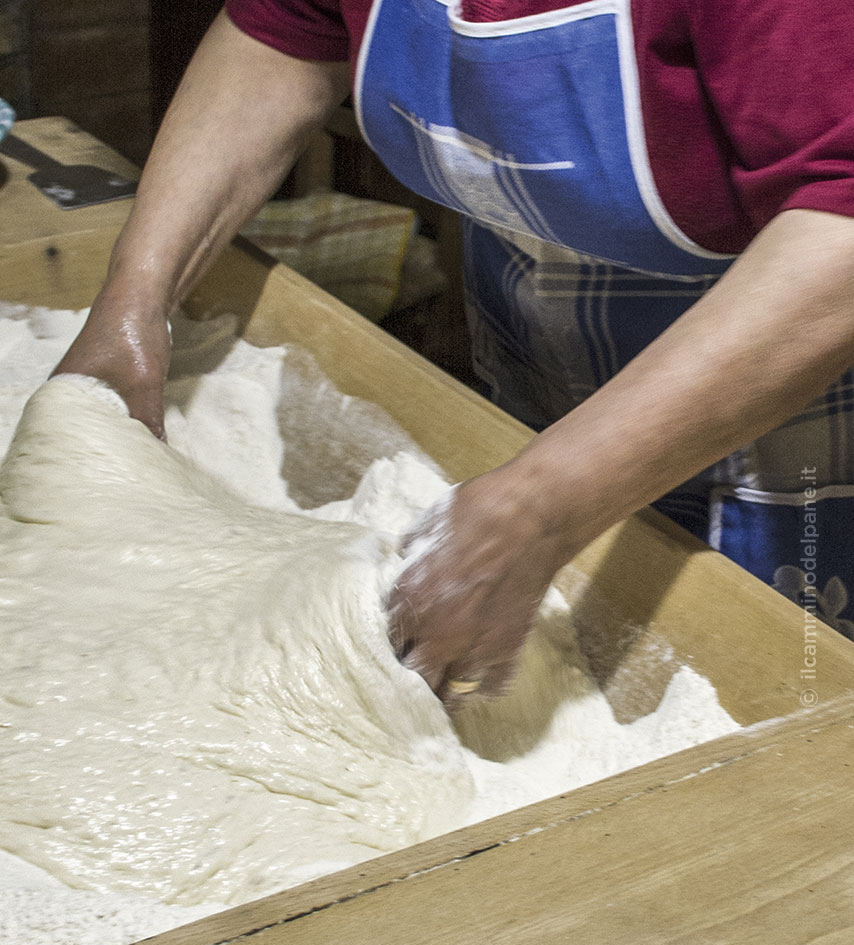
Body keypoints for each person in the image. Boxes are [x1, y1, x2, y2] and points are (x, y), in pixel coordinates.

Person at [55, 0, 854, 709]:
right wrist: (137, 298)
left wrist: (541, 505)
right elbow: (285, 33)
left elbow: (842, 225)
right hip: (532, 340)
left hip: (783, 398)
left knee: (782, 704)